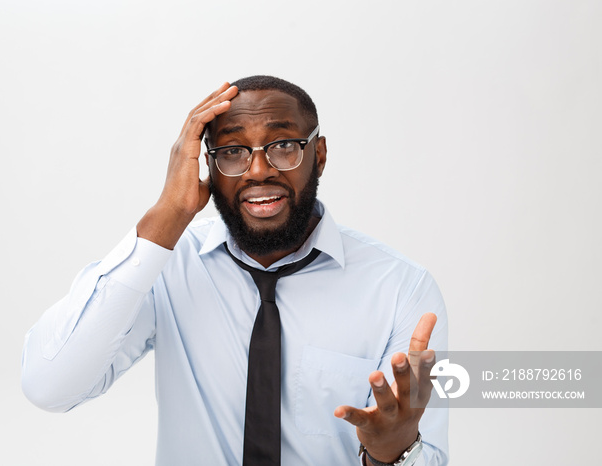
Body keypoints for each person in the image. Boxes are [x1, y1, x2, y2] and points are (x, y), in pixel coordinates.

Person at [22, 76, 448, 465]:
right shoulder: (167, 266)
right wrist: (169, 213)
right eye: (232, 152)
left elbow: (426, 452)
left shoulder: (401, 289)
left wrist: (391, 456)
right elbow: (50, 386)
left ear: (317, 155)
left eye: (283, 145)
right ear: (206, 166)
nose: (259, 169)